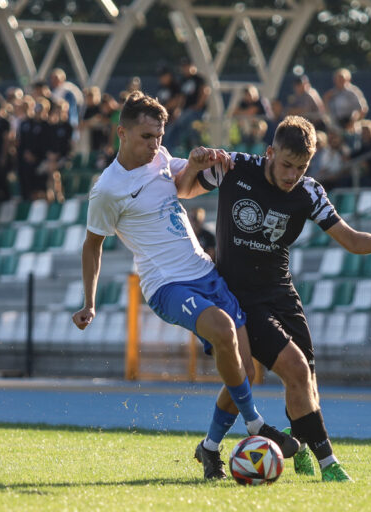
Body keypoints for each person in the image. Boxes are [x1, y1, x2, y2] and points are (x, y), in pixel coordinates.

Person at [71, 91, 299, 480]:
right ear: (121, 133)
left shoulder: (159, 159)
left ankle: (209, 449)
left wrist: (202, 162)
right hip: (166, 285)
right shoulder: (107, 189)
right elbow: (93, 244)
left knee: (244, 366)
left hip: (204, 273)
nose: (155, 144)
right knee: (225, 331)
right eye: (146, 136)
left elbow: (184, 187)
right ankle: (257, 424)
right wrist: (89, 302)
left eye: (159, 136)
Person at [175, 115, 371, 482]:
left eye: (301, 168)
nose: (292, 175)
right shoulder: (235, 167)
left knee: (301, 380)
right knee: (289, 370)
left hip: (282, 295)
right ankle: (329, 464)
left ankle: (255, 445)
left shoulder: (310, 192)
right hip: (241, 298)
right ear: (269, 152)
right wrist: (194, 164)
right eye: (286, 165)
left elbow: (350, 240)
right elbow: (185, 191)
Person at [163, 58, 210, 153]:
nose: (185, 68)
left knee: (188, 129)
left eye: (187, 66)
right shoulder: (183, 80)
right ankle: (170, 150)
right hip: (186, 112)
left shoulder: (198, 78)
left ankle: (194, 150)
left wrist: (198, 106)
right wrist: (178, 110)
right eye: (183, 67)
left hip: (196, 112)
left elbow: (205, 91)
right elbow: (182, 97)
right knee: (175, 127)